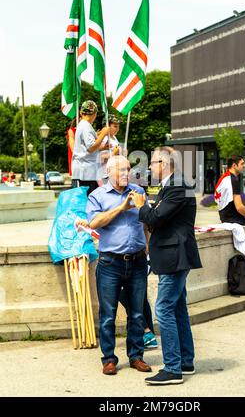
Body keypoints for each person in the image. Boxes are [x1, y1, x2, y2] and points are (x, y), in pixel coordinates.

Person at [130, 146, 202, 386]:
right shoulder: (173, 185)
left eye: (153, 163)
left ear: (166, 164)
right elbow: (158, 218)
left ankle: (172, 368)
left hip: (175, 256)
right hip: (174, 255)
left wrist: (142, 204)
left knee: (163, 309)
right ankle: (185, 361)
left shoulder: (177, 185)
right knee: (178, 308)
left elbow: (154, 219)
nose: (150, 167)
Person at [83, 155, 152, 376]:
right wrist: (121, 208)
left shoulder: (138, 192)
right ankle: (109, 359)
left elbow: (147, 222)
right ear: (109, 172)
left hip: (138, 261)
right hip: (110, 262)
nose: (126, 173)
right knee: (108, 314)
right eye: (121, 170)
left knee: (138, 312)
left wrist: (148, 246)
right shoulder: (98, 195)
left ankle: (136, 356)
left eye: (128, 169)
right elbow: (94, 223)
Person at [214, 155, 245, 239]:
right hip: (235, 219)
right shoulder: (233, 180)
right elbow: (239, 207)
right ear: (234, 165)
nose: (244, 166)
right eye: (242, 164)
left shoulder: (224, 178)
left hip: (224, 218)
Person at [71, 100, 109, 196]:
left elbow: (87, 148)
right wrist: (103, 134)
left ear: (81, 112)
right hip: (84, 173)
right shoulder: (86, 126)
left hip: (87, 172)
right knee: (85, 202)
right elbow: (91, 147)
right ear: (95, 114)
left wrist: (101, 146)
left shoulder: (83, 125)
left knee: (90, 201)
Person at [98, 114, 122, 185]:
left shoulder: (114, 137)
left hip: (114, 172)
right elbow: (99, 157)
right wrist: (114, 153)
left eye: (118, 127)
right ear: (107, 126)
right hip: (105, 174)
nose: (117, 129)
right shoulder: (104, 138)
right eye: (115, 126)